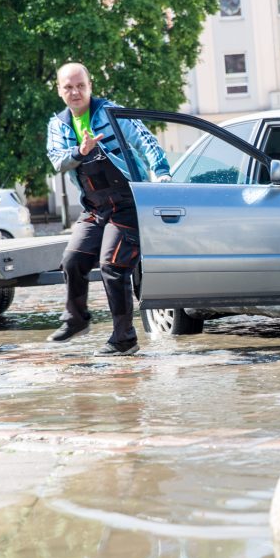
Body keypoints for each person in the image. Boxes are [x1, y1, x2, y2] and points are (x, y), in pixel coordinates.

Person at [46, 62, 171, 355]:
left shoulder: (112, 113)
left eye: (80, 85)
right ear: (59, 90)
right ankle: (76, 319)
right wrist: (81, 150)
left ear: (91, 86)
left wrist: (162, 173)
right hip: (94, 207)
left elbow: (146, 141)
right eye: (68, 87)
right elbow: (57, 161)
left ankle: (124, 338)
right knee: (72, 260)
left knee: (112, 265)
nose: (75, 92)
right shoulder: (58, 125)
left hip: (127, 203)